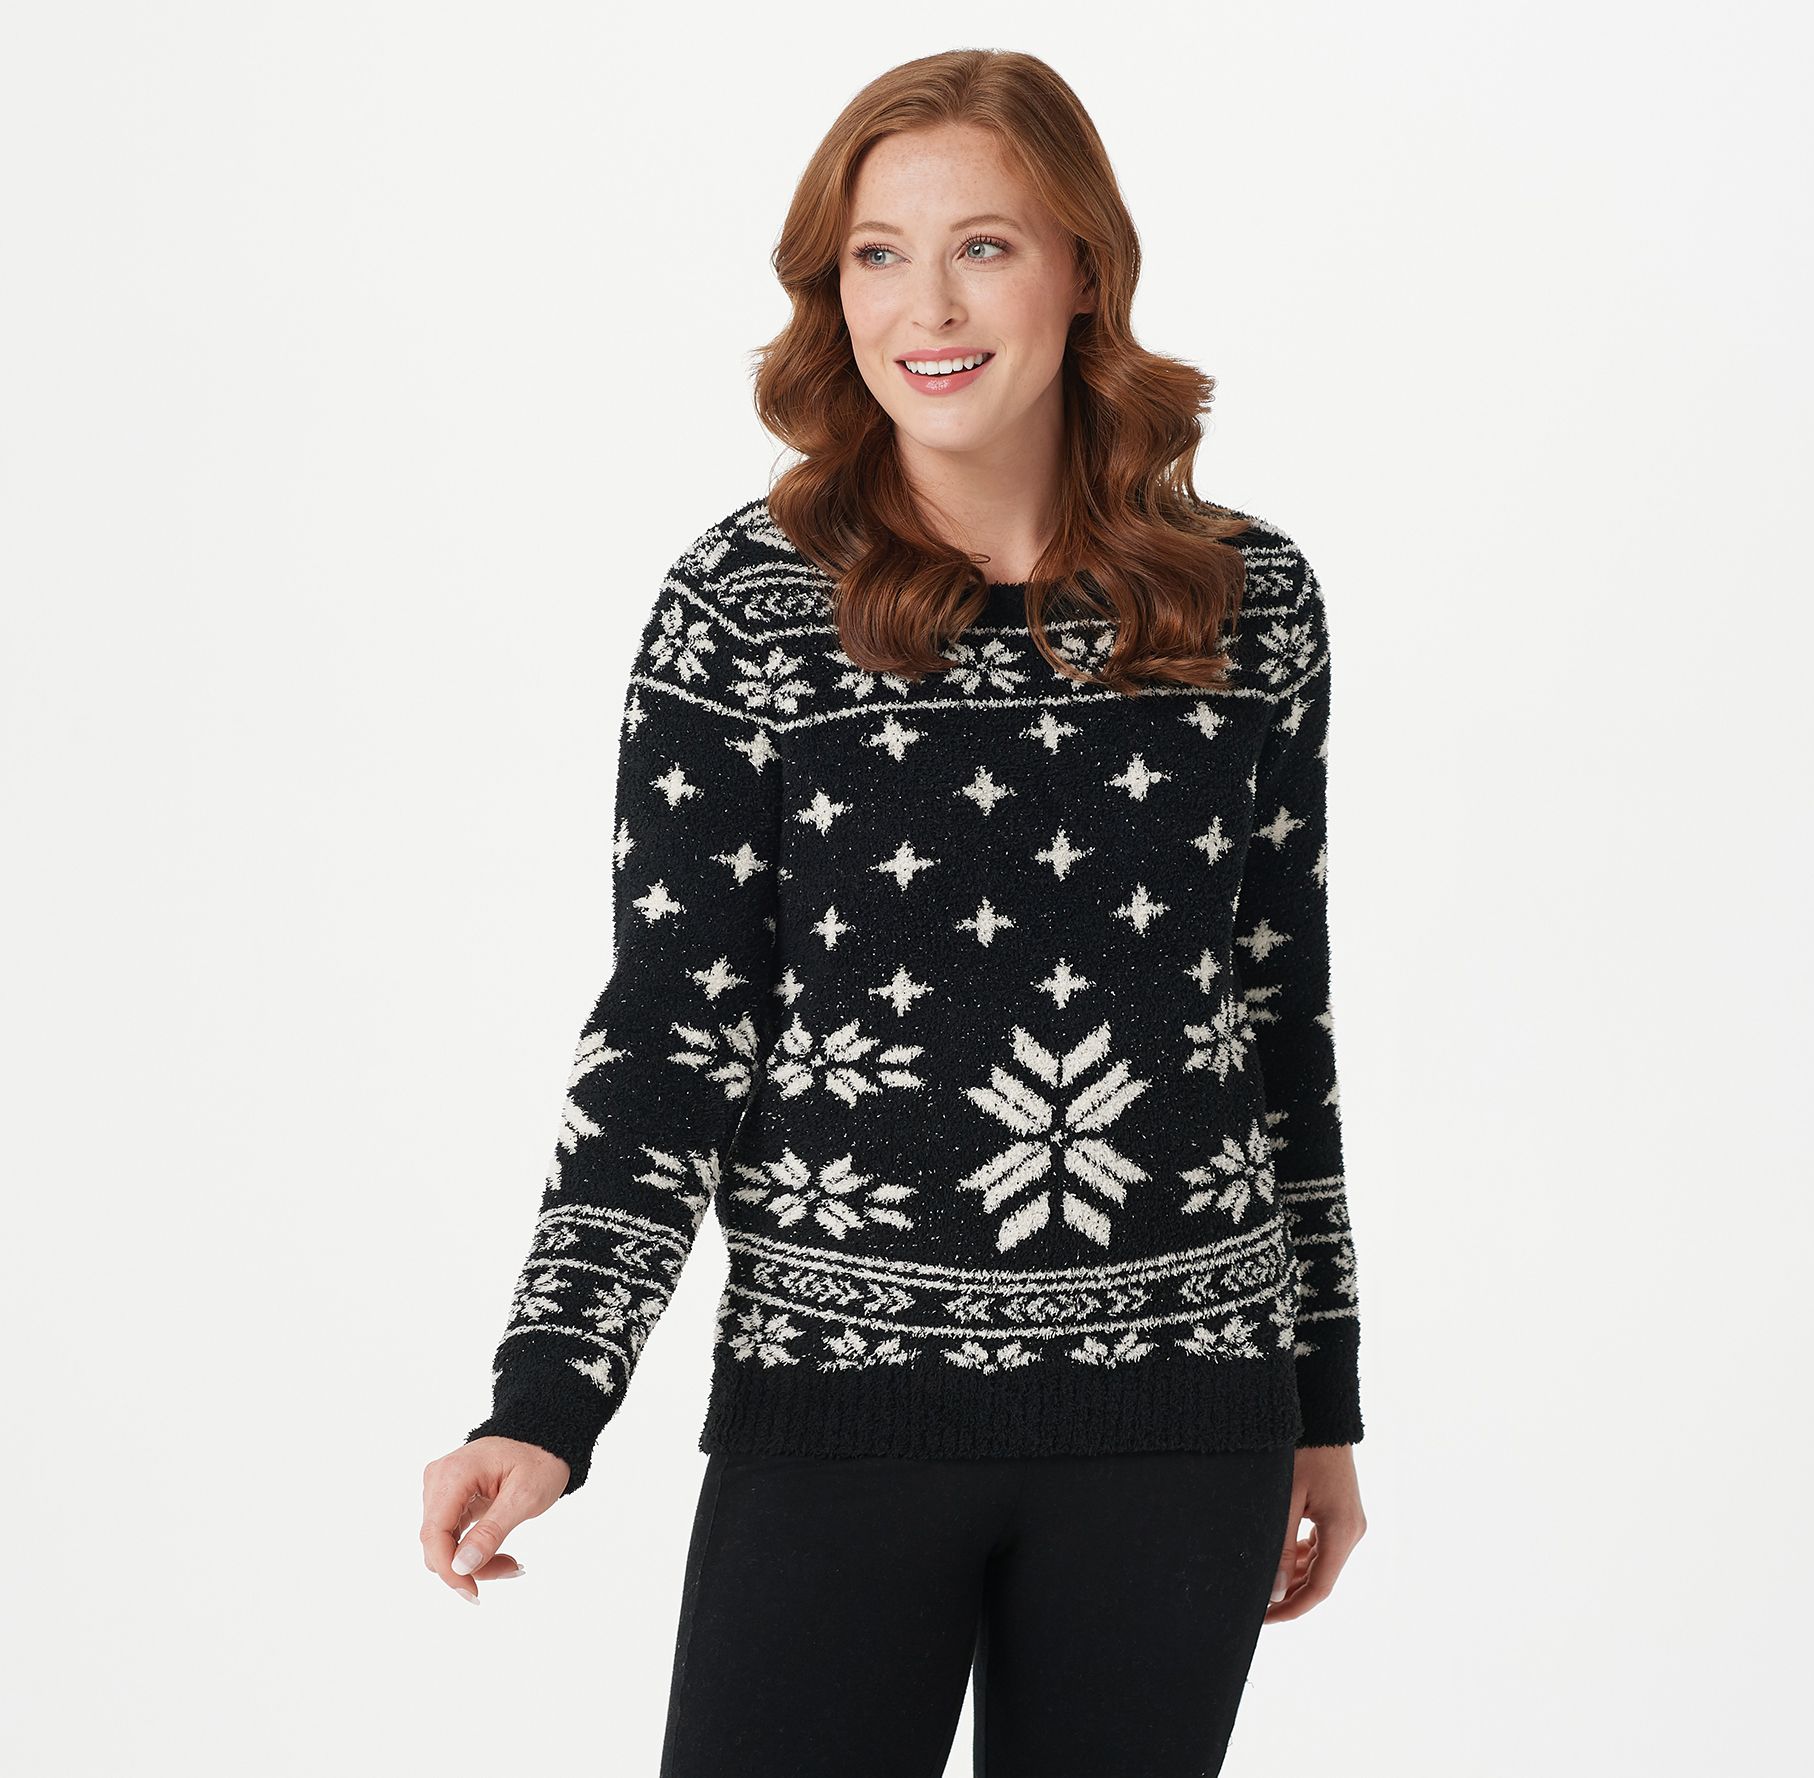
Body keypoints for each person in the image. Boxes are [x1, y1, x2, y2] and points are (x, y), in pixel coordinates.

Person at [420, 47, 1368, 1778]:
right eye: (878, 253)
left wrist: (1324, 1406)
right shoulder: (747, 608)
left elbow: (1274, 1015)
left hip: (1186, 1423)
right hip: (836, 1414)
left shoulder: (1250, 602)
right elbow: (672, 1028)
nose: (925, 306)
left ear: (1083, 269)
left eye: (983, 246)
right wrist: (547, 1396)